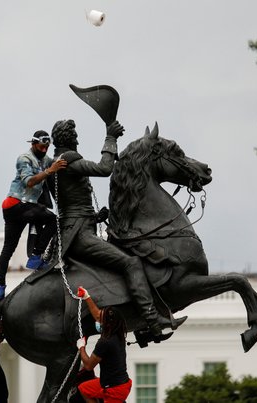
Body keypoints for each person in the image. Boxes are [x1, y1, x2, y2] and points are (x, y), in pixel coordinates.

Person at [51, 119, 183, 338]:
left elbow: (70, 204)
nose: (77, 139)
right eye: (75, 136)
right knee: (131, 263)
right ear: (72, 139)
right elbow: (104, 168)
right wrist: (110, 138)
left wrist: (94, 216)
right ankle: (151, 320)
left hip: (81, 227)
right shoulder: (68, 162)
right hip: (79, 236)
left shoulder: (58, 162)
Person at [0, 130, 67, 299]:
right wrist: (50, 171)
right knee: (53, 220)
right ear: (33, 144)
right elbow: (29, 181)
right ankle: (35, 256)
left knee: (8, 249)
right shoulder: (24, 159)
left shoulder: (45, 159)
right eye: (41, 147)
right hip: (16, 204)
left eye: (46, 147)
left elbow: (57, 162)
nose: (44, 150)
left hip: (24, 208)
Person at [76, 290, 132, 403]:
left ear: (107, 323)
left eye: (101, 319)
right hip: (121, 383)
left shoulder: (104, 342)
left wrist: (81, 347)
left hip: (114, 390)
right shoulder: (118, 333)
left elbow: (88, 366)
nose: (98, 319)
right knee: (84, 388)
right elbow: (97, 314)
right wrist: (87, 297)